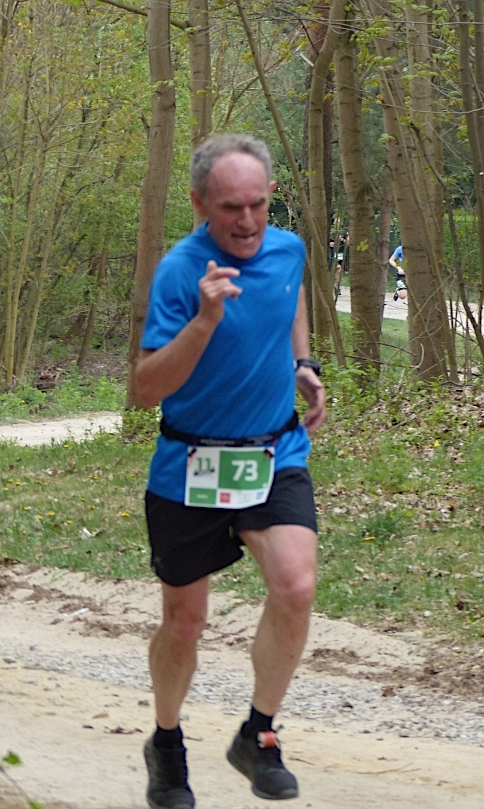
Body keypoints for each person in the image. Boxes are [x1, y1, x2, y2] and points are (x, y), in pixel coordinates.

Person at [135, 133, 326, 809]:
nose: (246, 222)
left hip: (273, 451)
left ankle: (258, 733)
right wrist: (205, 320)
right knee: (185, 620)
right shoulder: (179, 272)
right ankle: (166, 743)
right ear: (198, 204)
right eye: (229, 209)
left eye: (257, 205)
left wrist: (303, 363)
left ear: (270, 195)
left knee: (296, 586)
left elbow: (289, 299)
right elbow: (143, 389)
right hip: (190, 460)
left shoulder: (288, 249)